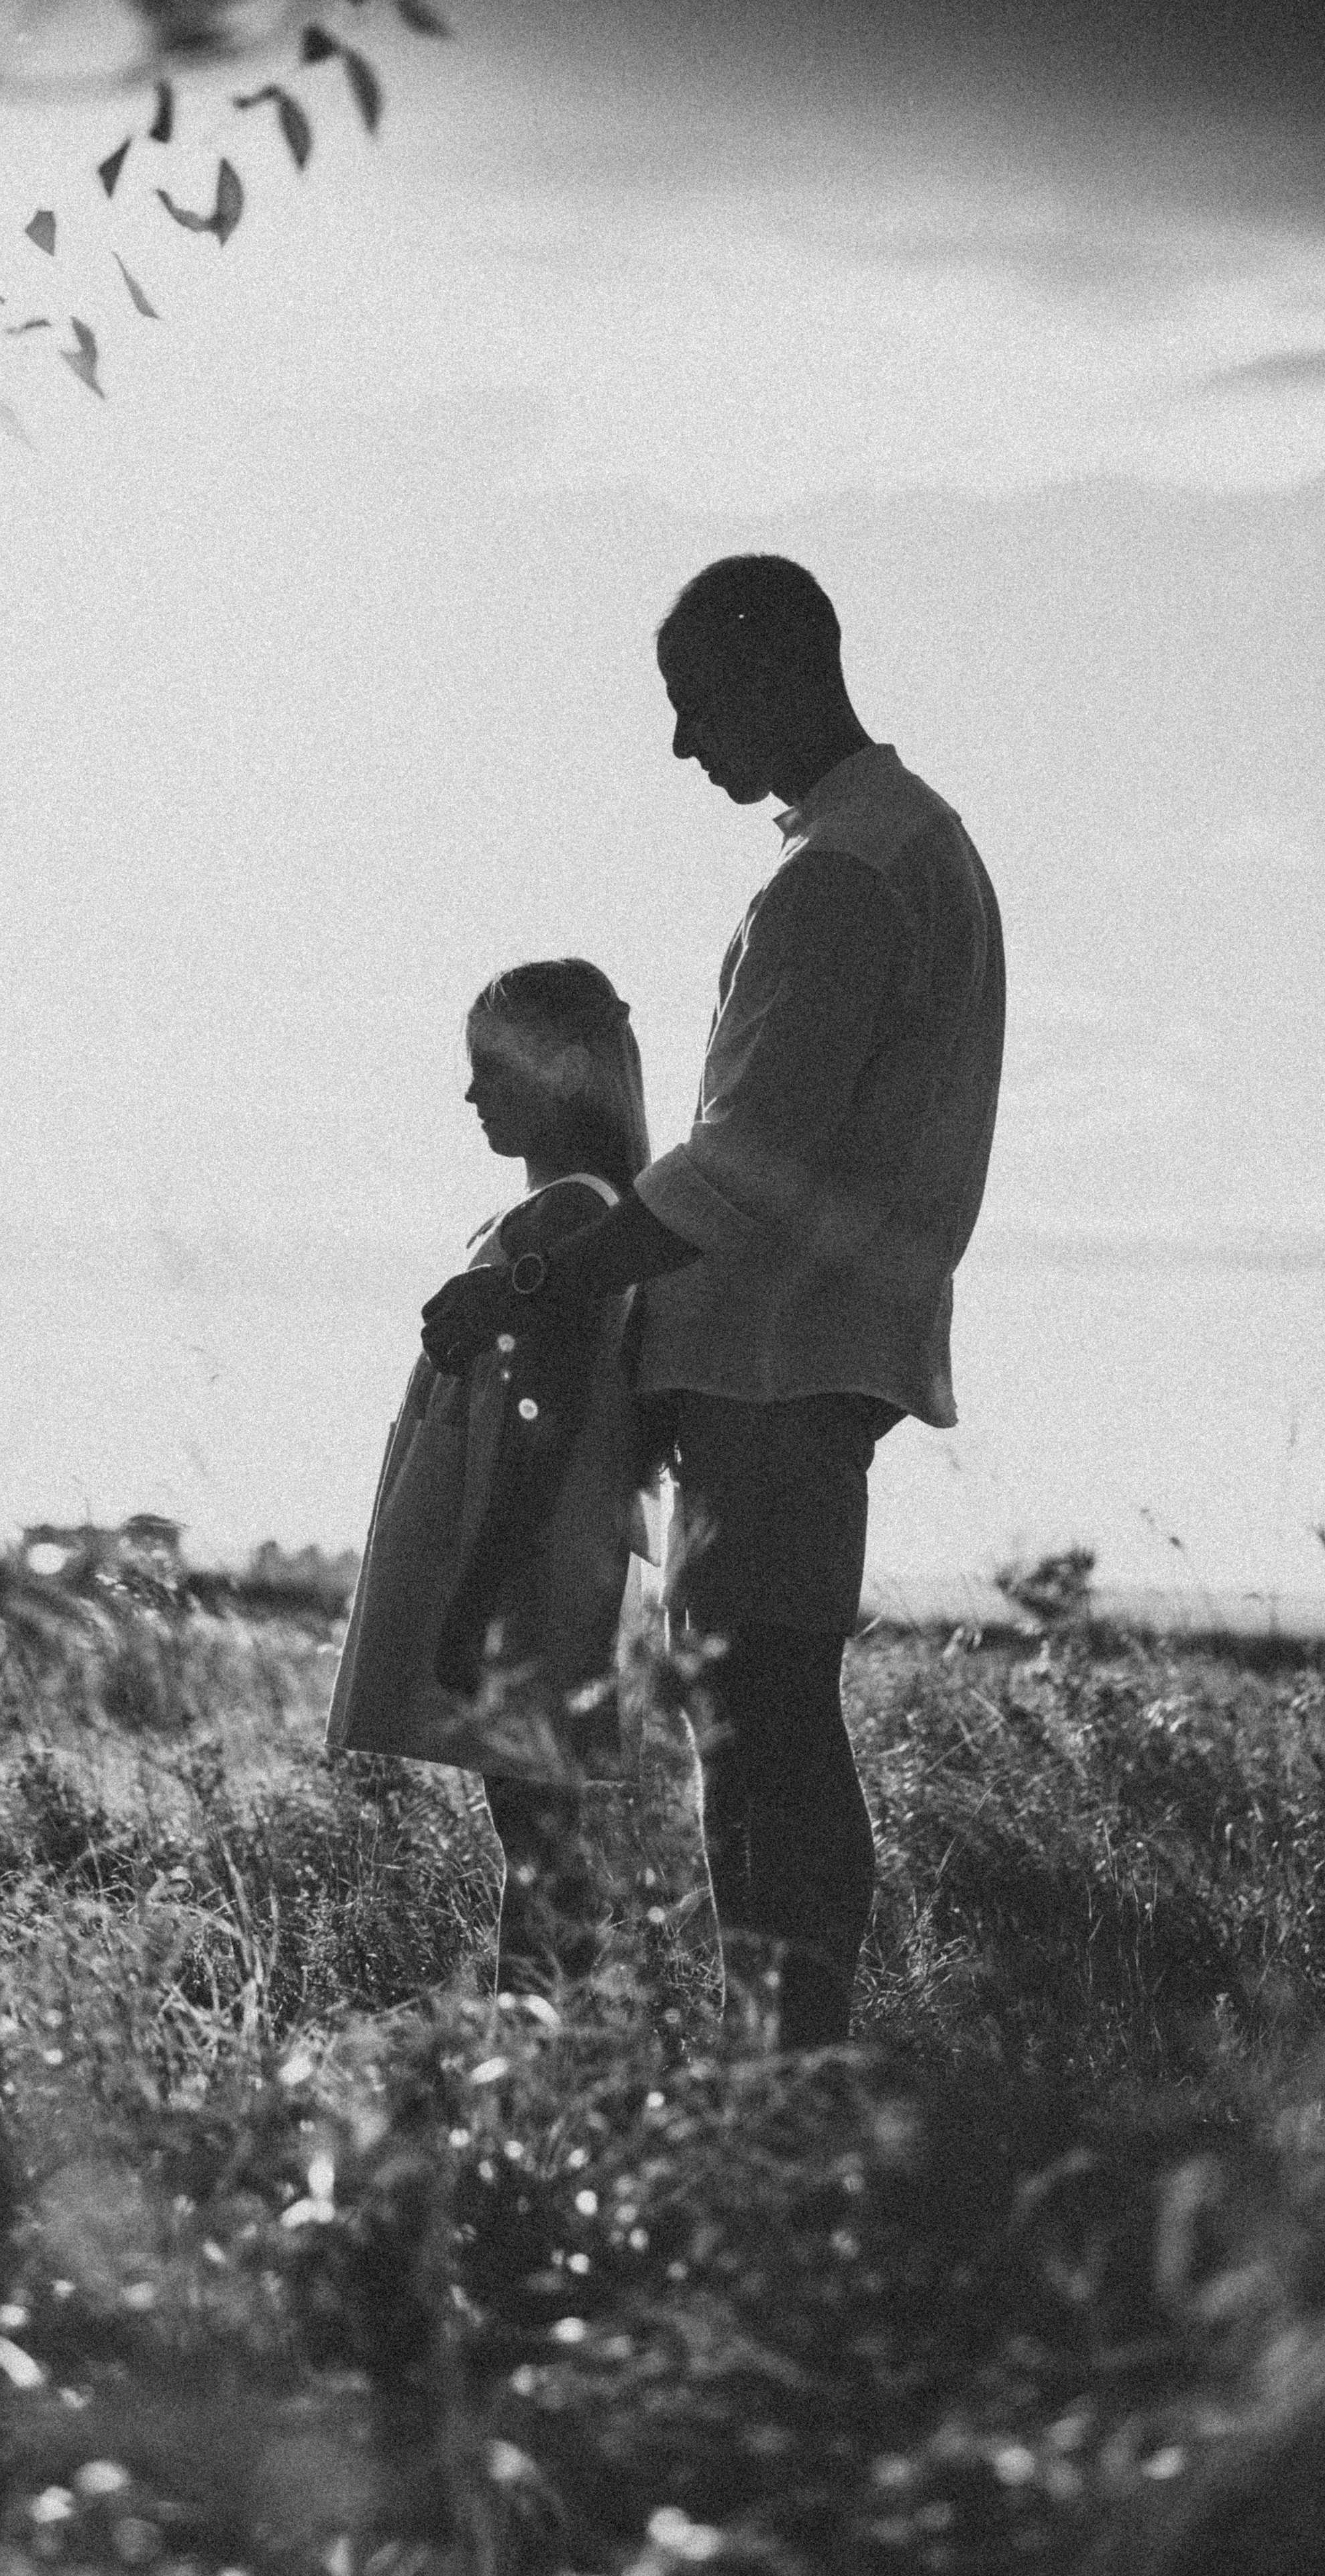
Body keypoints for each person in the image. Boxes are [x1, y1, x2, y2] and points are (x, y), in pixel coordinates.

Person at [422, 555, 1006, 2050]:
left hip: (773, 1362)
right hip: (804, 1355)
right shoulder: (893, 849)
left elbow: (744, 1162)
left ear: (773, 671)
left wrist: (534, 1282)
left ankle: (786, 2079)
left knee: (758, 1731)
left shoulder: (842, 875)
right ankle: (783, 2067)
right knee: (756, 1720)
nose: (683, 745)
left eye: (693, 704)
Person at [328, 959, 658, 1996]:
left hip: (529, 1557)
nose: (472, 1096)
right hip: (524, 1550)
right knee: (528, 1821)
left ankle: (544, 2052)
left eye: (491, 1070)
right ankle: (540, 2046)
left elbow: (544, 1417)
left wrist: (482, 1595)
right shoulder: (564, 1213)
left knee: (539, 1830)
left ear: (561, 1070)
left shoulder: (570, 1219)